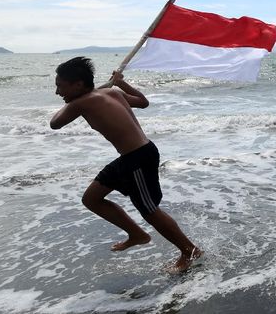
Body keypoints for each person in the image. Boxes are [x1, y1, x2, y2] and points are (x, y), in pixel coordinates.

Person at [50, 57, 202, 272]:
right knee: (91, 199)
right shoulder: (111, 93)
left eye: (60, 86)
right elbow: (142, 101)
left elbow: (54, 123)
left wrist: (89, 94)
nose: (58, 92)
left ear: (79, 85)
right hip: (135, 155)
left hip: (137, 158)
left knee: (149, 211)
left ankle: (190, 251)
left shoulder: (80, 102)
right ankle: (137, 234)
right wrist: (119, 84)